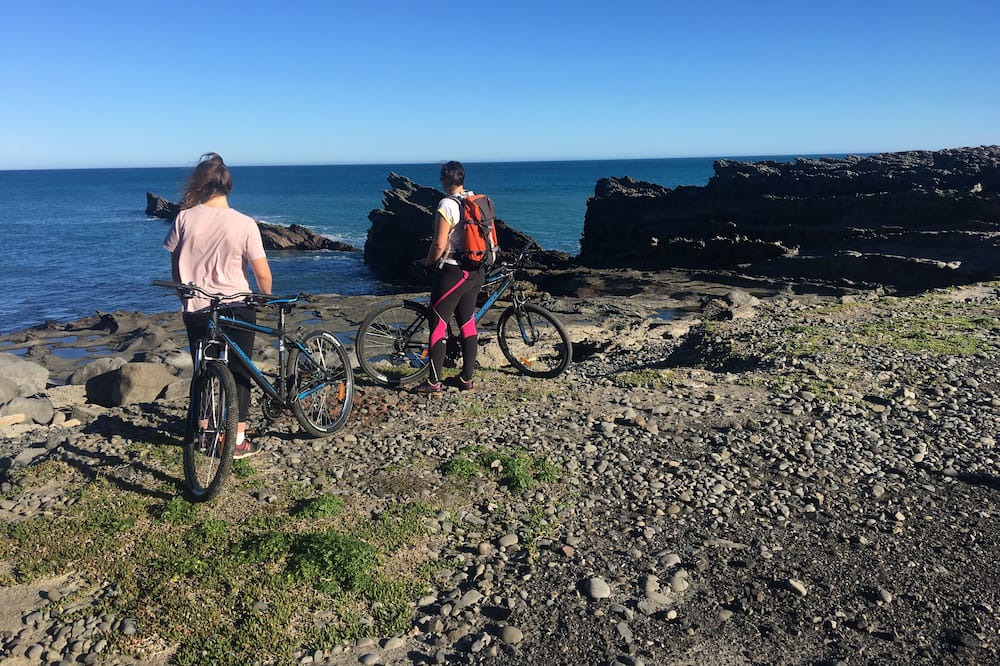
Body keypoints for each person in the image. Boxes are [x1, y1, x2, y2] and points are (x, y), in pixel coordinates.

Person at [162, 152, 272, 458]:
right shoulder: (245, 223)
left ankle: (204, 433)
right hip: (237, 306)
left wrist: (184, 294)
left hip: (197, 307)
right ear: (228, 187)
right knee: (239, 372)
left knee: (203, 371)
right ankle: (236, 440)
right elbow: (262, 272)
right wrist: (263, 296)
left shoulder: (184, 218)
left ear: (201, 184)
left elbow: (175, 263)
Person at [413, 161, 486, 394]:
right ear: (462, 179)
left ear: (444, 179)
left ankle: (434, 382)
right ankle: (466, 379)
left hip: (453, 272)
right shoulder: (474, 199)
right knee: (467, 323)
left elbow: (438, 244)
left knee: (438, 325)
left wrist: (428, 262)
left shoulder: (447, 204)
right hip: (475, 271)